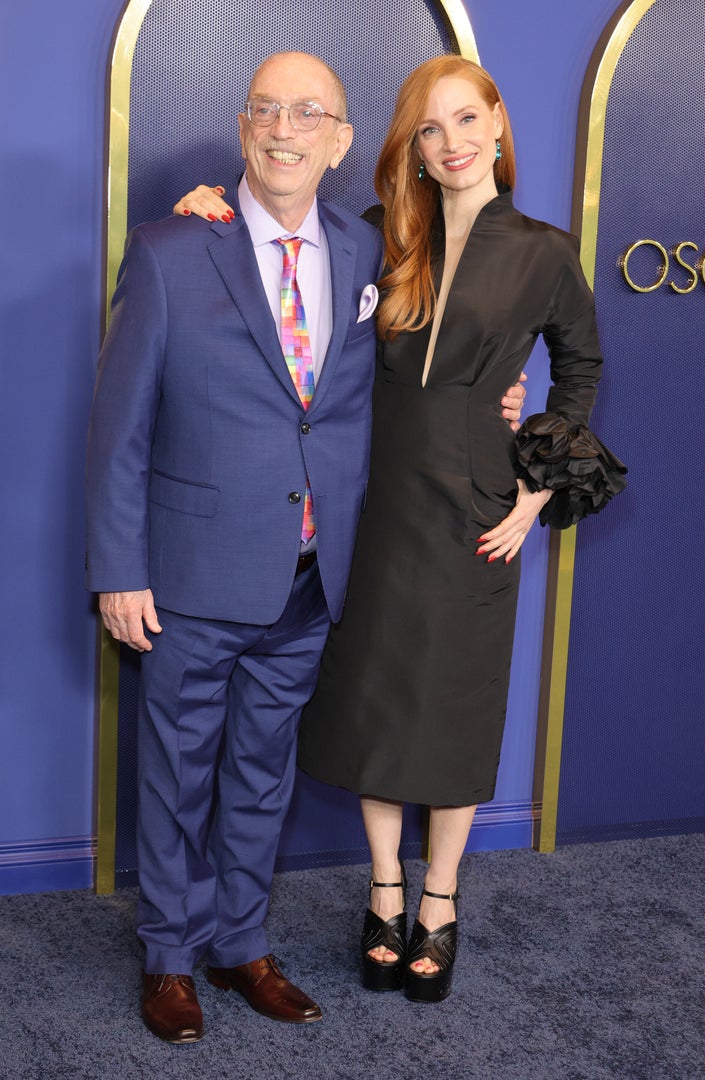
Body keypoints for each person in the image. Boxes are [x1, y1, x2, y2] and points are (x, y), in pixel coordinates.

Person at [88, 49, 526, 1041]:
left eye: (308, 114)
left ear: (338, 141)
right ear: (246, 127)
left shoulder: (372, 253)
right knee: (176, 774)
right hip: (190, 577)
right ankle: (168, 957)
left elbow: (425, 370)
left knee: (261, 776)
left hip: (311, 581)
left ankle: (241, 946)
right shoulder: (171, 247)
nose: (283, 130)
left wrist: (502, 397)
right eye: (265, 110)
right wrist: (118, 568)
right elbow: (118, 430)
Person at [176, 54, 626, 1006]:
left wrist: (535, 495)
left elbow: (580, 371)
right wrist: (204, 207)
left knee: (454, 709)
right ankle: (384, 887)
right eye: (431, 128)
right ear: (411, 149)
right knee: (379, 702)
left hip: (475, 516)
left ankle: (439, 899)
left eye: (467, 121)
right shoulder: (379, 234)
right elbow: (272, 243)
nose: (452, 143)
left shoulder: (543, 250)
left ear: (499, 126)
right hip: (371, 509)